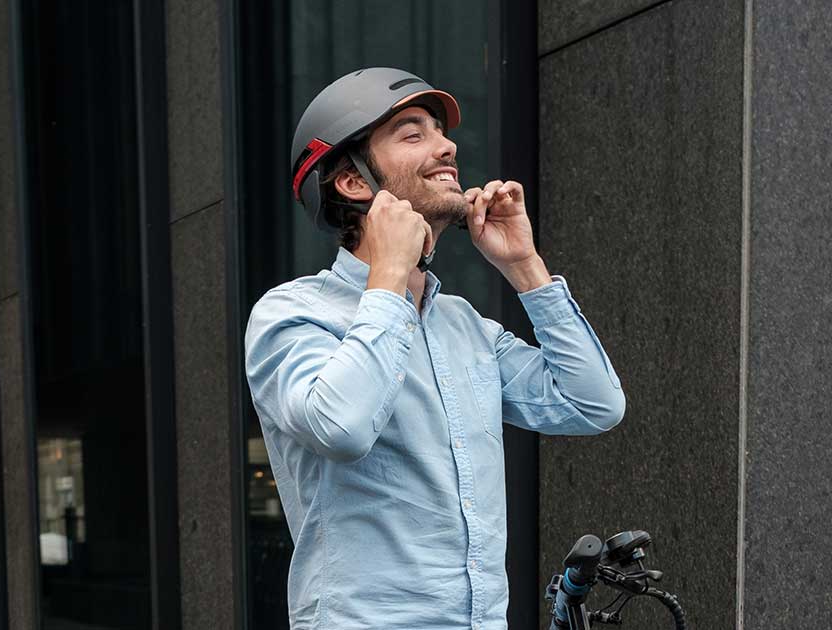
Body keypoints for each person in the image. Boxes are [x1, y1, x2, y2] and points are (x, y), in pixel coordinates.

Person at [244, 68, 626, 630]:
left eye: (441, 132)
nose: (447, 145)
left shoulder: (464, 326)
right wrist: (391, 276)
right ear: (352, 182)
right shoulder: (293, 314)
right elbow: (340, 427)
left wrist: (525, 267)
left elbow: (593, 405)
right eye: (411, 132)